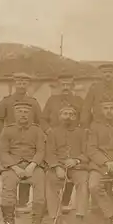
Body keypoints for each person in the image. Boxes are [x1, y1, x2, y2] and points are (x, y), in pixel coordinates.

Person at [0, 72, 44, 214]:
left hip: (29, 140)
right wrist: (3, 135)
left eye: (24, 83)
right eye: (19, 82)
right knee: (11, 169)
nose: (21, 85)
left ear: (28, 85)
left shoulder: (33, 102)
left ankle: (22, 202)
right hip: (11, 140)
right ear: (14, 84)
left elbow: (40, 120)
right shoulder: (6, 101)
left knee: (28, 165)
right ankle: (10, 202)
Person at [0, 101, 47, 224]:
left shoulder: (37, 130)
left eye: (26, 112)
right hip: (12, 167)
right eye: (20, 111)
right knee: (8, 190)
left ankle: (36, 222)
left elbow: (41, 151)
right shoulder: (7, 130)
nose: (23, 114)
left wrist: (32, 165)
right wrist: (15, 167)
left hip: (33, 166)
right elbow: (2, 153)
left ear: (30, 114)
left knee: (40, 185)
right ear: (14, 114)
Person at [41, 74, 84, 212]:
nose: (66, 88)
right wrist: (49, 131)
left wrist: (80, 133)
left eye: (68, 85)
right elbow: (43, 119)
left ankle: (65, 202)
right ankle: (50, 204)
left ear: (72, 86)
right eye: (63, 85)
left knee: (71, 166)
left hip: (73, 138)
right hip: (55, 137)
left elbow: (84, 119)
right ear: (59, 86)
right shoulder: (52, 100)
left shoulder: (78, 100)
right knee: (53, 172)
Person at [45, 104, 89, 224]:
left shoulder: (82, 133)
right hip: (58, 166)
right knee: (50, 181)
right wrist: (57, 167)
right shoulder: (52, 132)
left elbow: (87, 152)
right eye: (65, 114)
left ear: (75, 117)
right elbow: (49, 153)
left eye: (71, 114)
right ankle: (56, 219)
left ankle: (79, 218)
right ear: (59, 117)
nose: (68, 117)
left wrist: (76, 160)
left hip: (77, 166)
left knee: (83, 182)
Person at [80, 63, 113, 128]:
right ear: (101, 74)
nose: (108, 74)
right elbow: (86, 108)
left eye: (110, 72)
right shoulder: (94, 89)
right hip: (98, 125)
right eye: (105, 72)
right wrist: (85, 125)